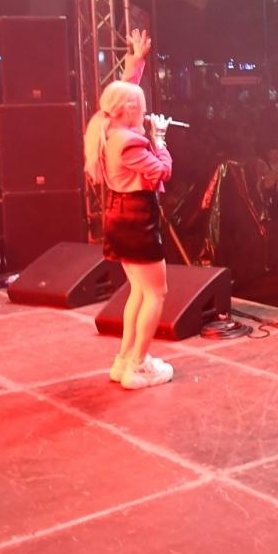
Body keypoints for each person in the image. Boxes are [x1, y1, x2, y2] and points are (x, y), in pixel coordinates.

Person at [83, 29, 174, 391]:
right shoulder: (131, 142)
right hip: (136, 218)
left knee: (138, 291)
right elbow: (162, 171)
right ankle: (138, 365)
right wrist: (161, 138)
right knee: (156, 293)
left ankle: (125, 360)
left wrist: (136, 62)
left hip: (118, 214)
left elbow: (123, 93)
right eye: (142, 108)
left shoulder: (104, 127)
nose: (146, 112)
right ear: (131, 111)